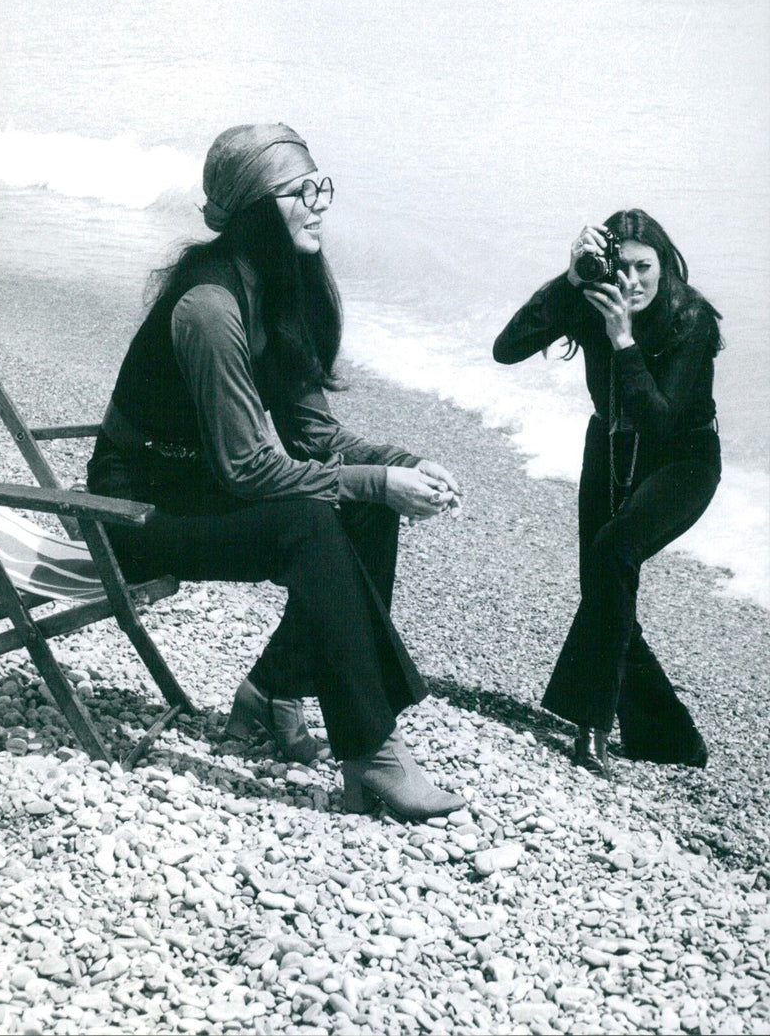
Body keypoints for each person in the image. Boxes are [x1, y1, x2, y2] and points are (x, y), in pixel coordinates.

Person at [88, 123, 464, 819]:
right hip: (131, 512)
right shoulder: (209, 306)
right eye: (301, 191)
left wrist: (401, 467)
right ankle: (372, 749)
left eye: (322, 186)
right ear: (257, 207)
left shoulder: (276, 288)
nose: (320, 203)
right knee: (308, 521)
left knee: (362, 507)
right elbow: (250, 471)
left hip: (194, 487)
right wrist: (377, 481)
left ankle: (269, 695)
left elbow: (316, 435)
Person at [493, 210, 722, 779]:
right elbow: (507, 347)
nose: (632, 281)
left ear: (665, 264)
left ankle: (590, 725)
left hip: (683, 458)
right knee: (605, 585)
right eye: (620, 267)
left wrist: (622, 340)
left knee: (611, 556)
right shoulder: (591, 297)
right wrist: (568, 280)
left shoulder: (692, 319)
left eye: (645, 267)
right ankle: (668, 736)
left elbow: (662, 423)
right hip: (612, 448)